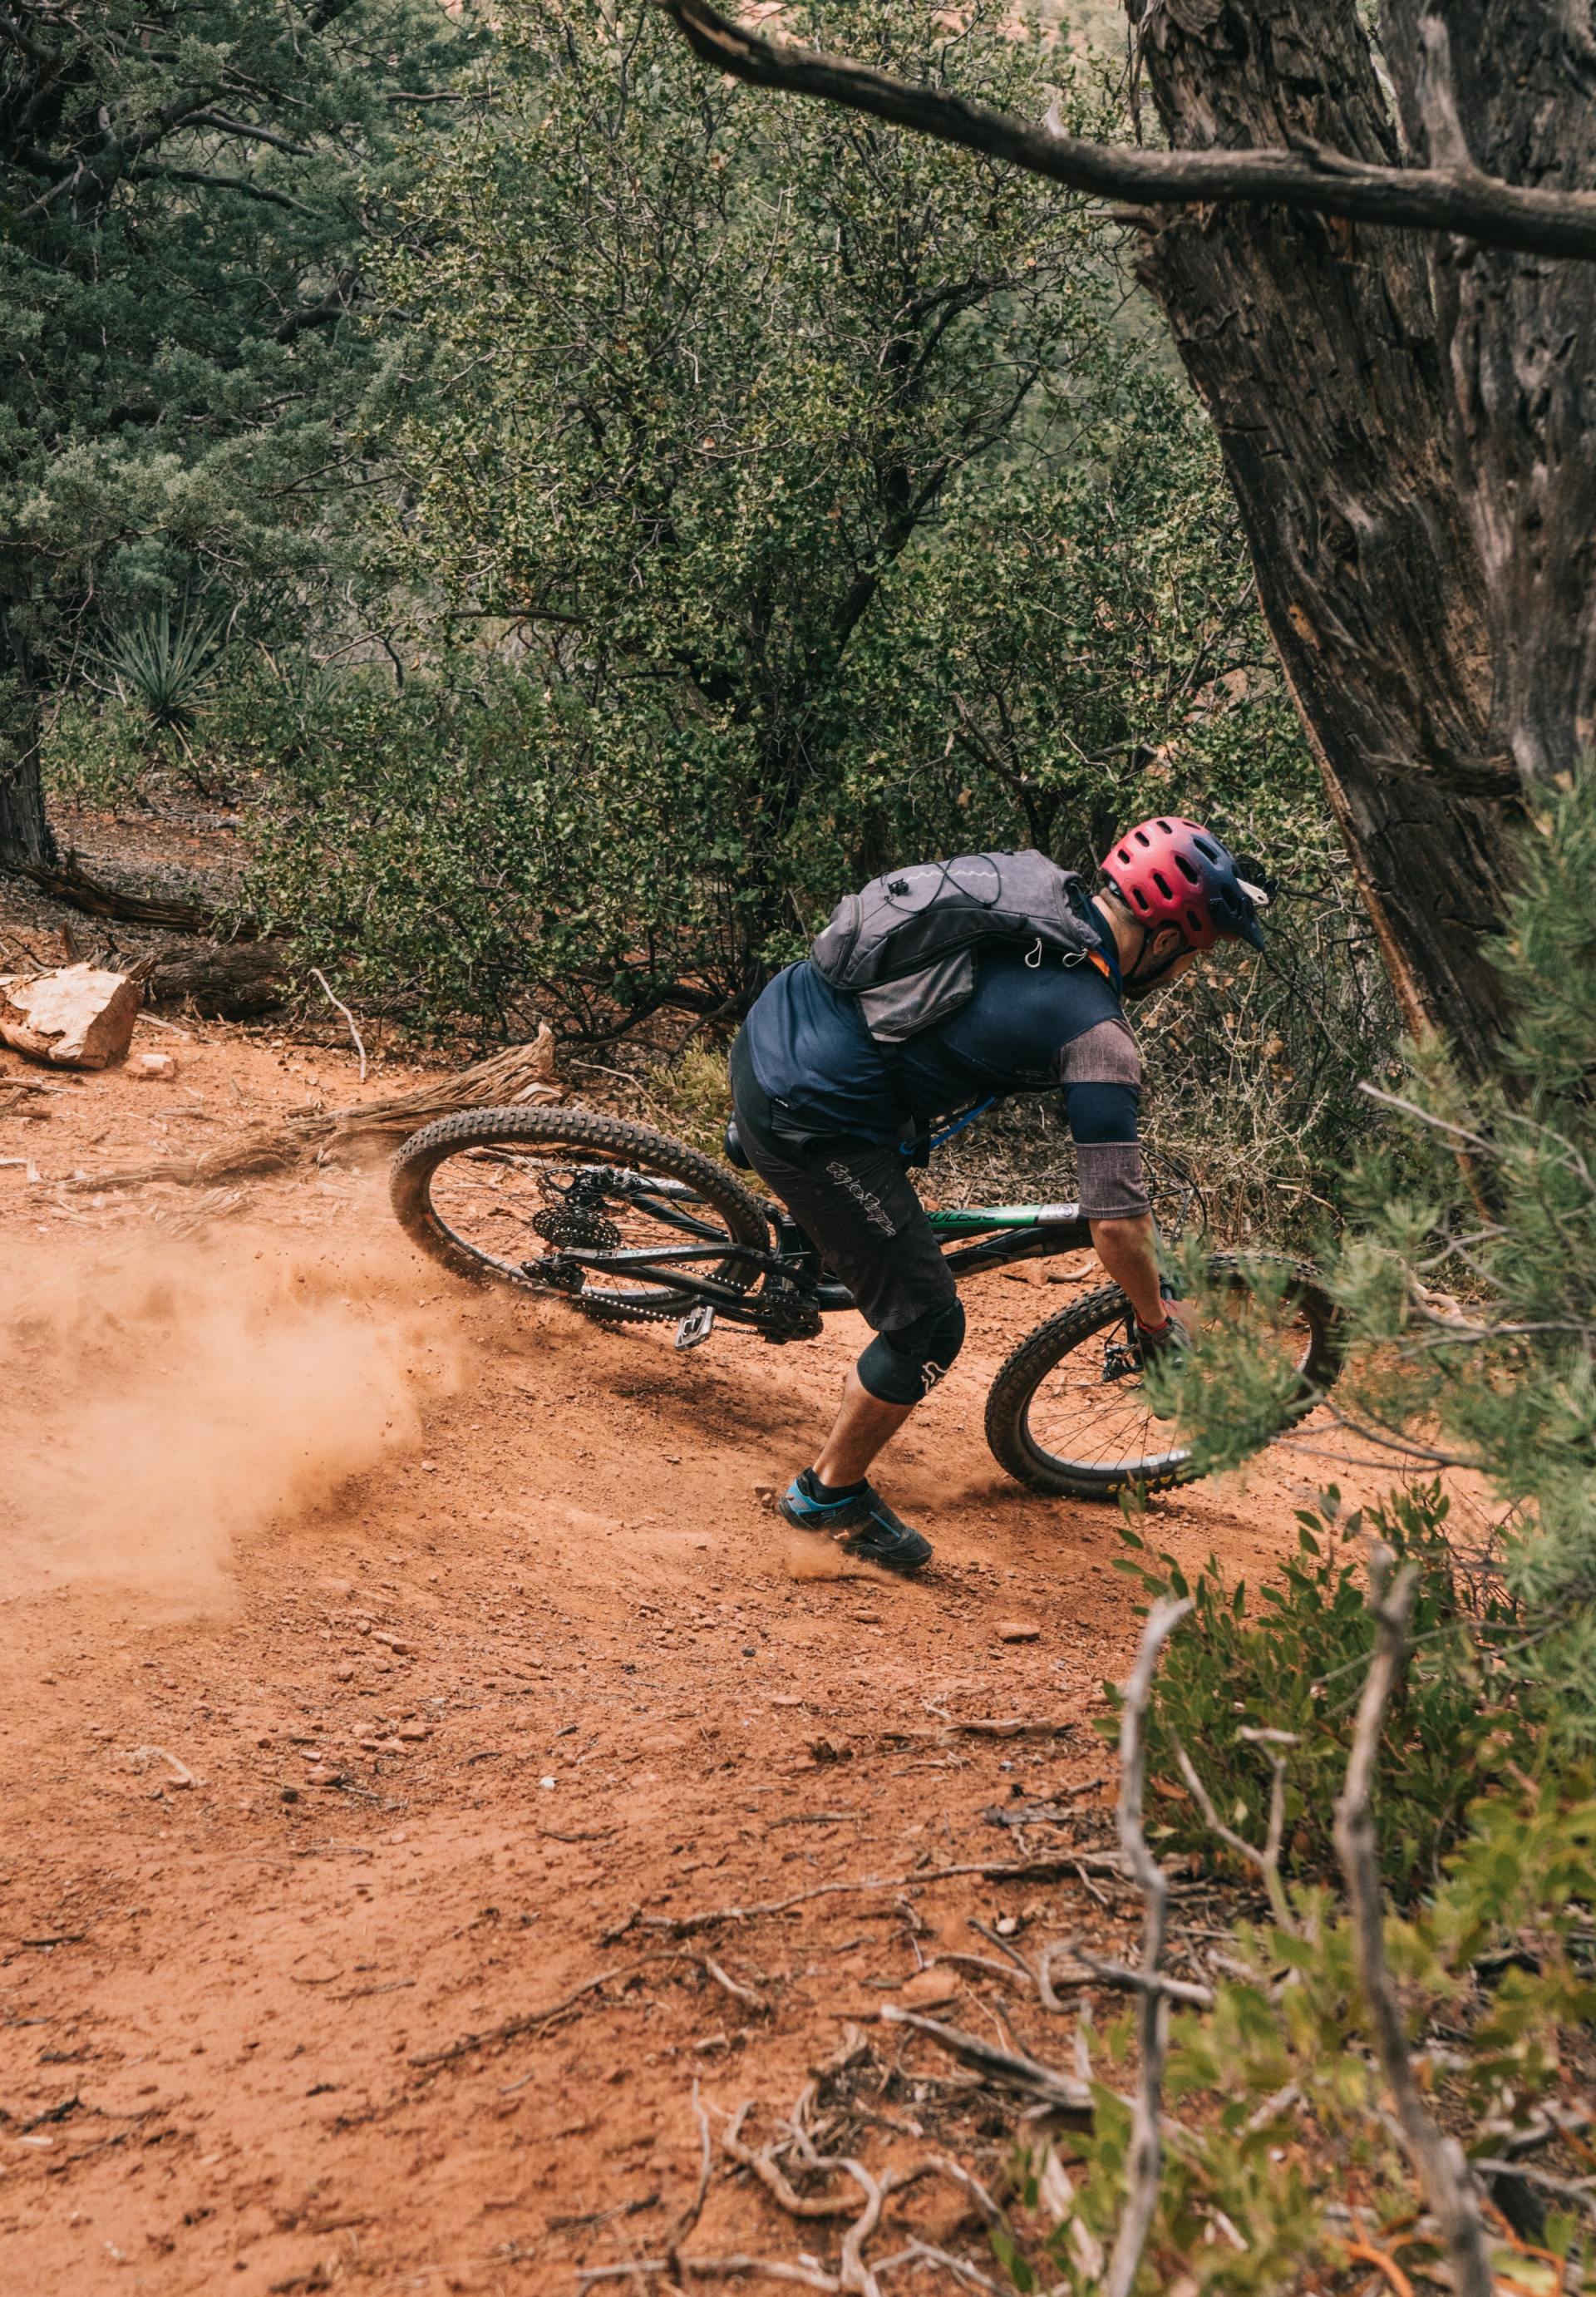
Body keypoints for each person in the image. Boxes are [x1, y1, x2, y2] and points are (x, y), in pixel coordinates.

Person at [727, 817, 1268, 1574]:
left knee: (876, 1156)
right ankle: (827, 1496)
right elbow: (1115, 1227)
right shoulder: (1097, 1032)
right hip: (808, 1114)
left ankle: (768, 1170)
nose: (1186, 973)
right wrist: (1152, 1316)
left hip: (773, 1024)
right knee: (929, 1327)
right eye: (1196, 955)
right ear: (1170, 938)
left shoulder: (1035, 888)